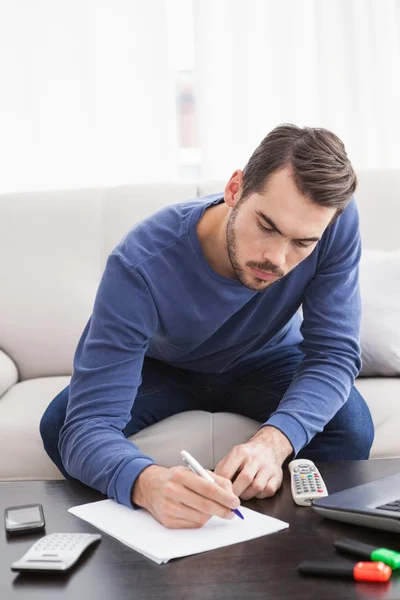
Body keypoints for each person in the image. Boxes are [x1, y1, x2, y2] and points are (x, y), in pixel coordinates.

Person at [40, 124, 374, 529]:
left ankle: (283, 543)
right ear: (235, 189)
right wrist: (147, 484)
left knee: (351, 428)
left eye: (301, 243)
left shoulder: (333, 223)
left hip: (269, 359)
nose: (277, 259)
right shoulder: (140, 262)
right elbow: (88, 425)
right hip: (164, 368)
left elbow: (333, 354)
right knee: (60, 426)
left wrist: (272, 444)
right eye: (266, 226)